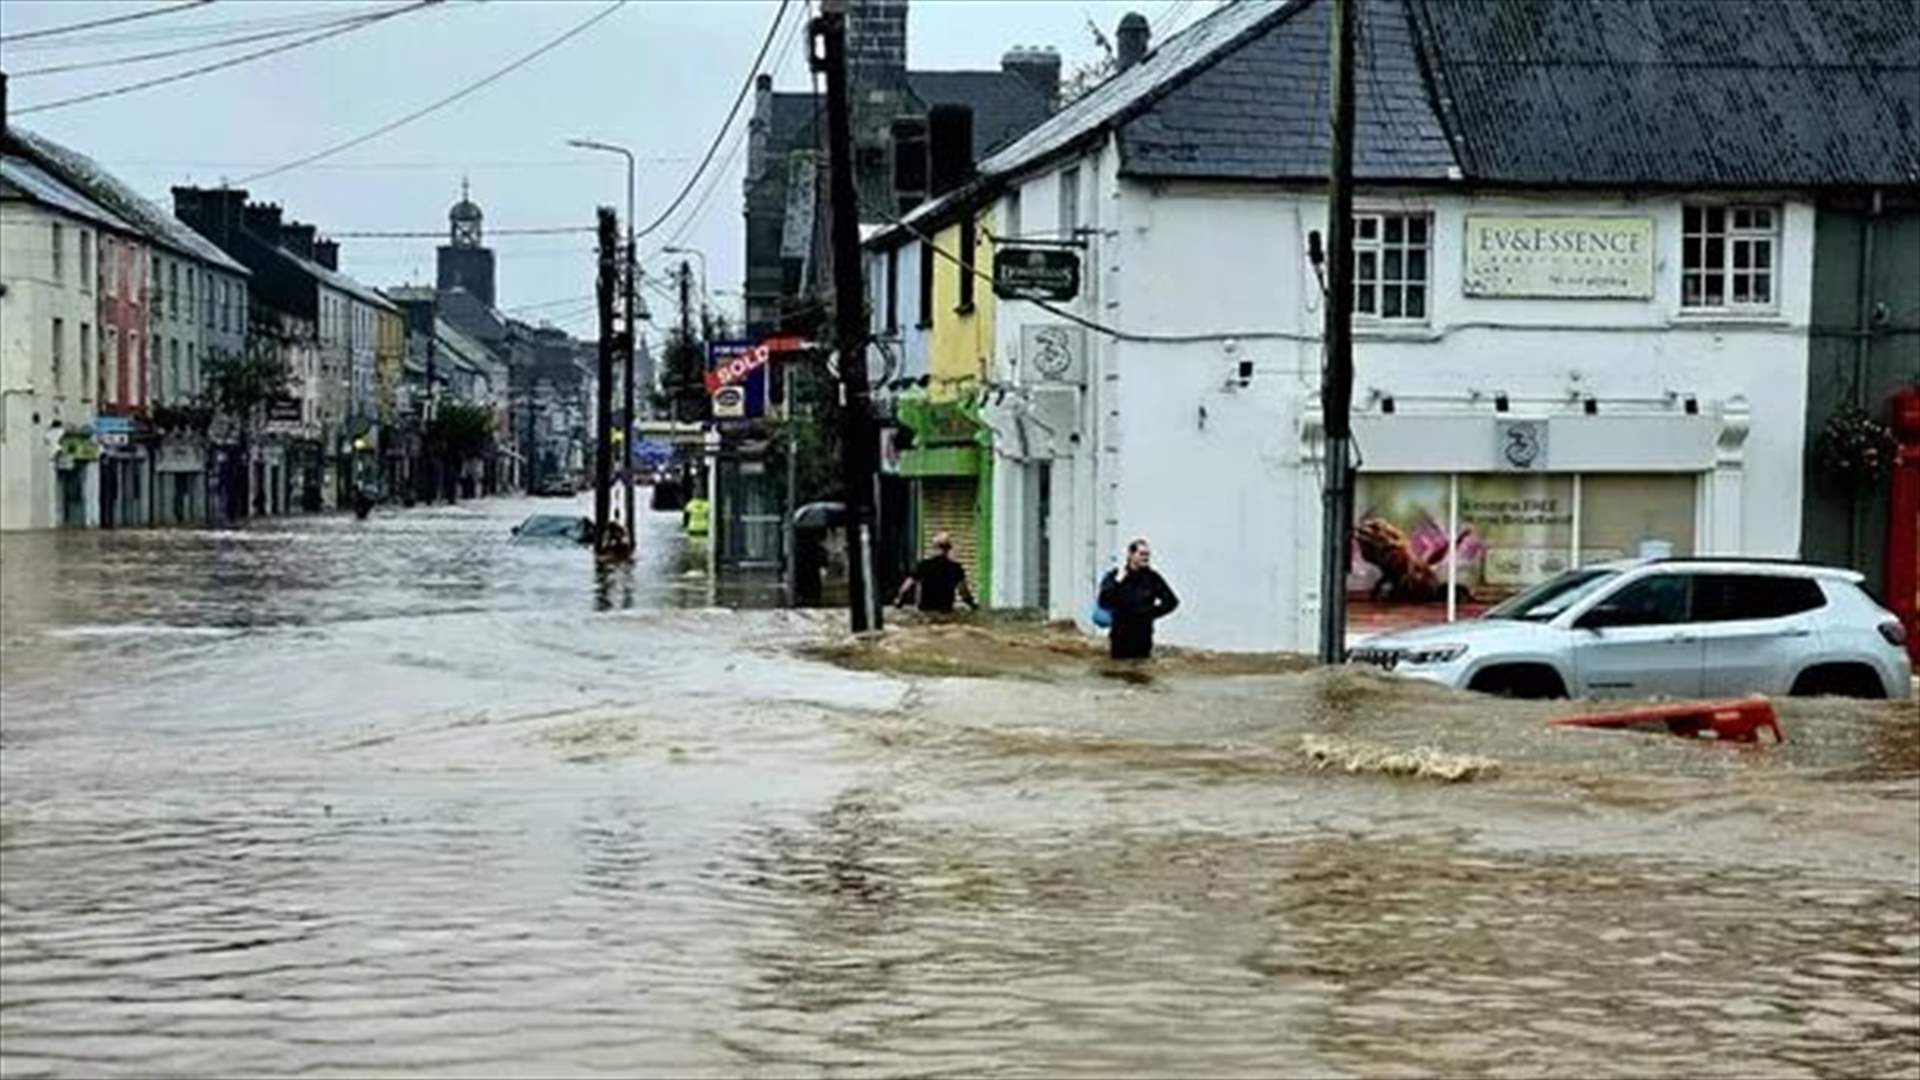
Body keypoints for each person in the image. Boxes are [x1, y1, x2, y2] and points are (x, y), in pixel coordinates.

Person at [1098, 538, 1179, 660]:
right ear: (1130, 555)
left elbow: (1172, 602)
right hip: (1120, 637)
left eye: (1147, 555)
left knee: (1142, 674)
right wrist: (1117, 582)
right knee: (1116, 674)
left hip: (1143, 637)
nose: (1145, 558)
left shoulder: (1153, 578)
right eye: (1142, 554)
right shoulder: (1115, 575)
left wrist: (1150, 613)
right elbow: (1103, 601)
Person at [896, 532, 978, 613]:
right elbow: (964, 592)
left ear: (934, 548)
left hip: (926, 611)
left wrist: (899, 602)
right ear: (948, 549)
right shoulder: (955, 568)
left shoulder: (924, 566)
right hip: (946, 612)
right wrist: (972, 606)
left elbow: (905, 588)